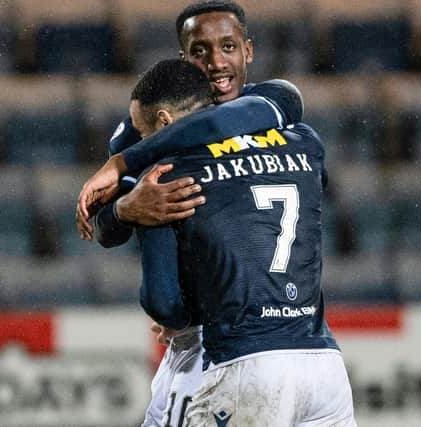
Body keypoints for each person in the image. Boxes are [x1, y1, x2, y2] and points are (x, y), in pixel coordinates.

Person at [81, 2, 307, 426]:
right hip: (248, 343)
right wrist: (127, 209)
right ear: (183, 58)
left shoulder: (268, 104)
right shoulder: (145, 128)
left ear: (248, 51)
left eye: (228, 47)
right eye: (200, 51)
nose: (217, 63)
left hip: (239, 339)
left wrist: (124, 163)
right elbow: (106, 229)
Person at [133, 59, 355, 426]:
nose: (144, 145)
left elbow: (165, 305)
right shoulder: (303, 140)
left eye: (143, 135)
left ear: (163, 123)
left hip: (246, 363)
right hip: (323, 366)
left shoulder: (166, 177)